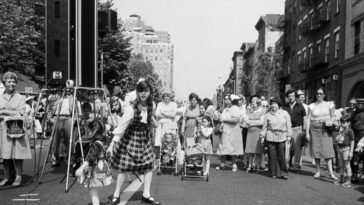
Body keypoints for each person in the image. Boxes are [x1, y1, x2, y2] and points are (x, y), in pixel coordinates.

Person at [107, 80, 161, 205]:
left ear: (150, 92)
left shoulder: (152, 104)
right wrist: (111, 145)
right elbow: (121, 128)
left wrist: (153, 122)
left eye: (146, 91)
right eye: (141, 91)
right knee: (124, 167)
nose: (143, 93)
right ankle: (116, 195)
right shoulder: (131, 108)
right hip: (130, 138)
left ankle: (146, 194)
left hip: (144, 138)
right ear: (137, 92)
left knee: (149, 166)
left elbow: (150, 117)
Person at [0, 71, 28, 187]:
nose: (11, 83)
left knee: (18, 154)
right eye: (9, 81)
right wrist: (12, 113)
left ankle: (18, 176)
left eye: (13, 81)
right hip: (3, 128)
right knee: (6, 154)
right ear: (4, 83)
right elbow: (15, 112)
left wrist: (3, 111)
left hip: (17, 127)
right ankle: (7, 177)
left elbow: (21, 112)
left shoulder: (20, 97)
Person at [76, 119, 112, 205]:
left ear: (94, 131)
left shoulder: (96, 144)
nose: (87, 132)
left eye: (89, 130)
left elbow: (91, 158)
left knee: (92, 190)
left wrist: (81, 168)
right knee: (93, 189)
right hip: (100, 167)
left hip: (94, 170)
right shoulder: (101, 141)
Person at [306, 88, 337, 180]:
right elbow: (308, 119)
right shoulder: (311, 105)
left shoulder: (329, 104)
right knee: (316, 150)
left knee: (328, 150)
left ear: (324, 95)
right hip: (314, 128)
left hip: (326, 129)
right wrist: (307, 133)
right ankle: (318, 171)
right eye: (317, 93)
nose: (319, 95)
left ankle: (331, 172)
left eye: (321, 93)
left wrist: (330, 121)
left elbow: (333, 116)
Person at [260, 97, 292, 179]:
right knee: (272, 155)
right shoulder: (268, 115)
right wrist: (262, 136)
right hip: (271, 136)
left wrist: (289, 136)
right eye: (272, 103)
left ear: (279, 104)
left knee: (281, 155)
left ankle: (284, 173)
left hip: (282, 136)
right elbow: (264, 127)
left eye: (275, 103)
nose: (273, 105)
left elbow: (289, 125)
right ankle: (273, 173)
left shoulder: (285, 113)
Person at [216, 94, 244, 172]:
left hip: (233, 130)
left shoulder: (235, 109)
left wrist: (224, 119)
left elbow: (235, 120)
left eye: (226, 99)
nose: (225, 100)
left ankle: (234, 164)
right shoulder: (226, 109)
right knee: (223, 146)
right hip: (225, 131)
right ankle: (222, 164)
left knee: (233, 147)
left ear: (231, 100)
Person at [282, 90, 306, 171]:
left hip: (297, 129)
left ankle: (296, 166)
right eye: (289, 96)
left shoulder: (300, 106)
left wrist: (304, 129)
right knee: (287, 148)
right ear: (287, 97)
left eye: (292, 96)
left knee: (297, 148)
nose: (291, 97)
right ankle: (286, 164)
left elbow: (304, 118)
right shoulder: (284, 107)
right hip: (287, 129)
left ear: (295, 97)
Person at [155, 90, 177, 173]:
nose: (166, 97)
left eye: (168, 96)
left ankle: (172, 161)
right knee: (161, 143)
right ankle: (161, 161)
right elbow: (157, 114)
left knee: (172, 143)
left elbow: (173, 115)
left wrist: (163, 113)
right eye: (164, 96)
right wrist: (168, 114)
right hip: (162, 125)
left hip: (171, 125)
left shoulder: (174, 104)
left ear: (170, 97)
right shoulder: (159, 104)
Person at [244, 95, 265, 171]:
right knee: (250, 150)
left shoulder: (262, 111)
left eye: (254, 101)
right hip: (250, 132)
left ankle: (258, 166)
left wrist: (251, 123)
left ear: (258, 102)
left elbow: (262, 122)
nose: (252, 103)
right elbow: (246, 120)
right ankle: (250, 165)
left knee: (258, 150)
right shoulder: (249, 110)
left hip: (258, 132)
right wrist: (254, 122)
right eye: (252, 101)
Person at [335, 116, 354, 187]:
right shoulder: (342, 130)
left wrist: (351, 152)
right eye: (341, 122)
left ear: (348, 123)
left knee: (347, 165)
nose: (342, 124)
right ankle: (341, 179)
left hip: (347, 149)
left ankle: (349, 181)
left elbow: (352, 141)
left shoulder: (350, 130)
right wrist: (338, 138)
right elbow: (340, 139)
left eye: (344, 122)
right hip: (341, 148)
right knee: (341, 165)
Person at [350, 99, 364, 183]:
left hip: (363, 136)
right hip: (355, 136)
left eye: (361, 104)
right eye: (358, 103)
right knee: (355, 156)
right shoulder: (354, 114)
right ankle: (354, 174)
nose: (359, 105)